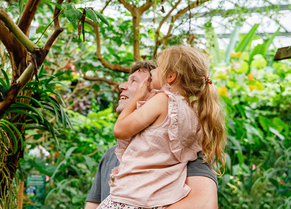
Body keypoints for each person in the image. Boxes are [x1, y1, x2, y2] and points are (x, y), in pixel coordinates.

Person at [97, 46, 226, 208]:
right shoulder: (194, 115)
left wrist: (138, 97)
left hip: (127, 198)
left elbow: (120, 130)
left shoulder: (164, 100)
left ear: (171, 77)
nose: (154, 71)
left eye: (158, 67)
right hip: (156, 202)